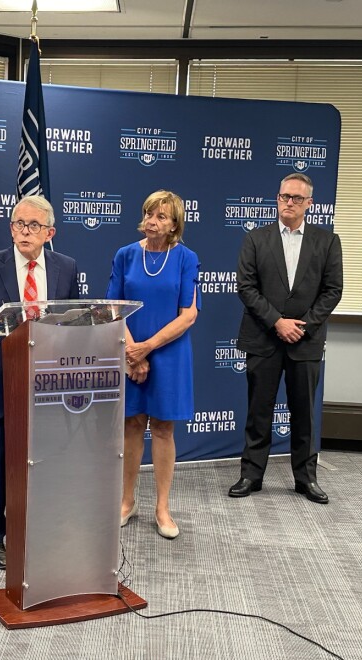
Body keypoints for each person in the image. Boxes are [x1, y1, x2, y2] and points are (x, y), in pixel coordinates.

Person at [0, 195, 79, 568]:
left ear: (49, 233)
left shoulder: (67, 268)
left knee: (45, 463)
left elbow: (72, 321)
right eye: (18, 224)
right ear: (11, 228)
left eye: (34, 226)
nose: (24, 232)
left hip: (48, 386)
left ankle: (38, 531)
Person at [228, 173, 343, 504]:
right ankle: (251, 474)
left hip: (305, 342)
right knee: (258, 411)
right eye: (283, 197)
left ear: (309, 204)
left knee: (304, 413)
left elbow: (333, 290)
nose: (288, 203)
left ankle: (306, 479)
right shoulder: (255, 239)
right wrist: (278, 322)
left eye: (296, 198)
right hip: (263, 337)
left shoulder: (327, 241)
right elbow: (246, 288)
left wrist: (303, 325)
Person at [106, 190, 200, 540]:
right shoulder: (126, 255)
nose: (152, 220)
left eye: (161, 216)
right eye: (149, 213)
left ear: (175, 223)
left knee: (162, 428)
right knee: (131, 425)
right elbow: (113, 306)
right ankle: (126, 501)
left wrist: (147, 348)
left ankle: (162, 507)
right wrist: (132, 351)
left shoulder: (186, 258)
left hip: (169, 353)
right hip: (128, 350)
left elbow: (188, 315)